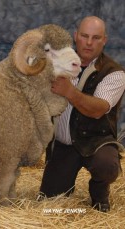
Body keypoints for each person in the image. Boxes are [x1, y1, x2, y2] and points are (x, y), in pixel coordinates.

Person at [37, 16, 125, 212]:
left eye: (96, 37)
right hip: (63, 146)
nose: (89, 42)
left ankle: (99, 190)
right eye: (84, 36)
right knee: (49, 204)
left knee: (107, 166)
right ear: (75, 36)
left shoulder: (114, 73)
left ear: (105, 40)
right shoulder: (54, 64)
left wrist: (69, 91)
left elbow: (98, 109)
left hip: (95, 141)